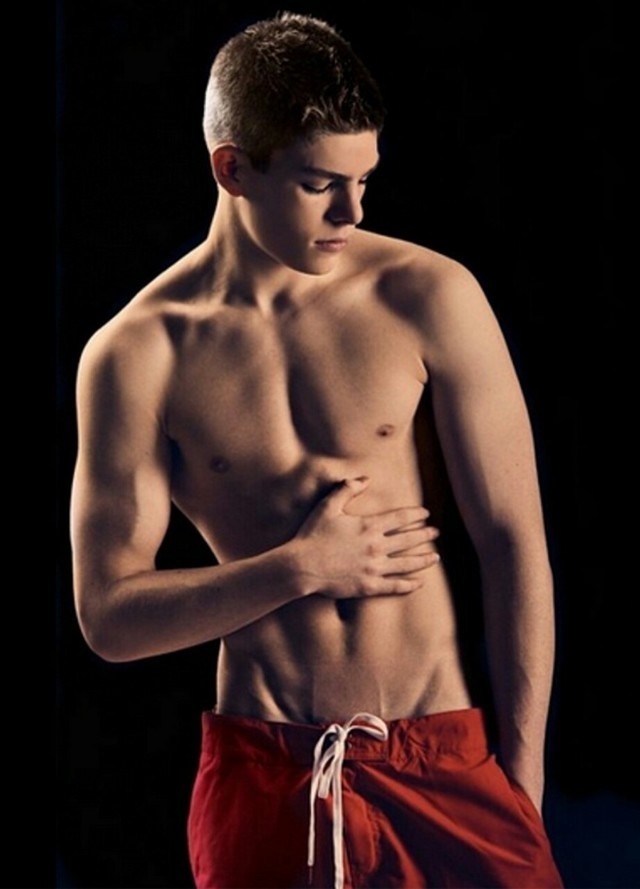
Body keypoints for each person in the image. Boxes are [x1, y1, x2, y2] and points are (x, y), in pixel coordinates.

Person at [70, 12, 563, 889]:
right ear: (233, 168)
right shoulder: (136, 354)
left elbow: (513, 543)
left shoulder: (429, 295)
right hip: (263, 771)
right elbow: (108, 615)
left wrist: (521, 788)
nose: (352, 211)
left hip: (439, 757)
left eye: (363, 180)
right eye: (318, 184)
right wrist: (299, 566)